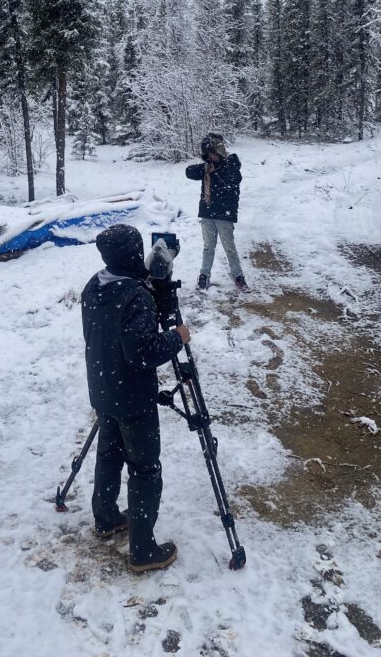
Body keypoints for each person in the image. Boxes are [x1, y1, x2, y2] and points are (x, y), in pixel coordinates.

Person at [81, 223, 191, 573]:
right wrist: (177, 337)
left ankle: (107, 517)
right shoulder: (136, 296)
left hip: (103, 388)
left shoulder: (94, 285)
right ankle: (143, 551)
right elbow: (142, 352)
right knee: (145, 469)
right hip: (132, 397)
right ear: (132, 253)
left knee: (110, 455)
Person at [185, 132, 248, 291]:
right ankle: (204, 277)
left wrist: (216, 171)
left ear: (219, 152)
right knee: (208, 248)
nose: (211, 157)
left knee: (229, 249)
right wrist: (206, 168)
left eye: (213, 154)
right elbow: (188, 172)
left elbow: (233, 180)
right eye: (208, 155)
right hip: (207, 214)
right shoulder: (207, 168)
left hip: (224, 215)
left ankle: (238, 277)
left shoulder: (231, 165)